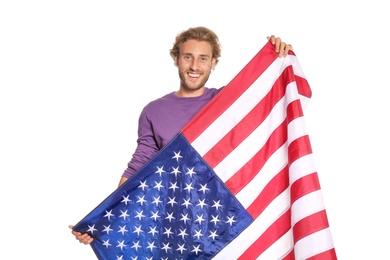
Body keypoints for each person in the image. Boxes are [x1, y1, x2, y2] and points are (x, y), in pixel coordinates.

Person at [69, 26, 293, 245]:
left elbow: (273, 93)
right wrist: (104, 221)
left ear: (214, 63)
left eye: (203, 58)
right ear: (176, 59)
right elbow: (138, 169)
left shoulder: (228, 103)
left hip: (228, 217)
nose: (195, 66)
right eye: (188, 57)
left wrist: (279, 57)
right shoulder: (154, 111)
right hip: (178, 223)